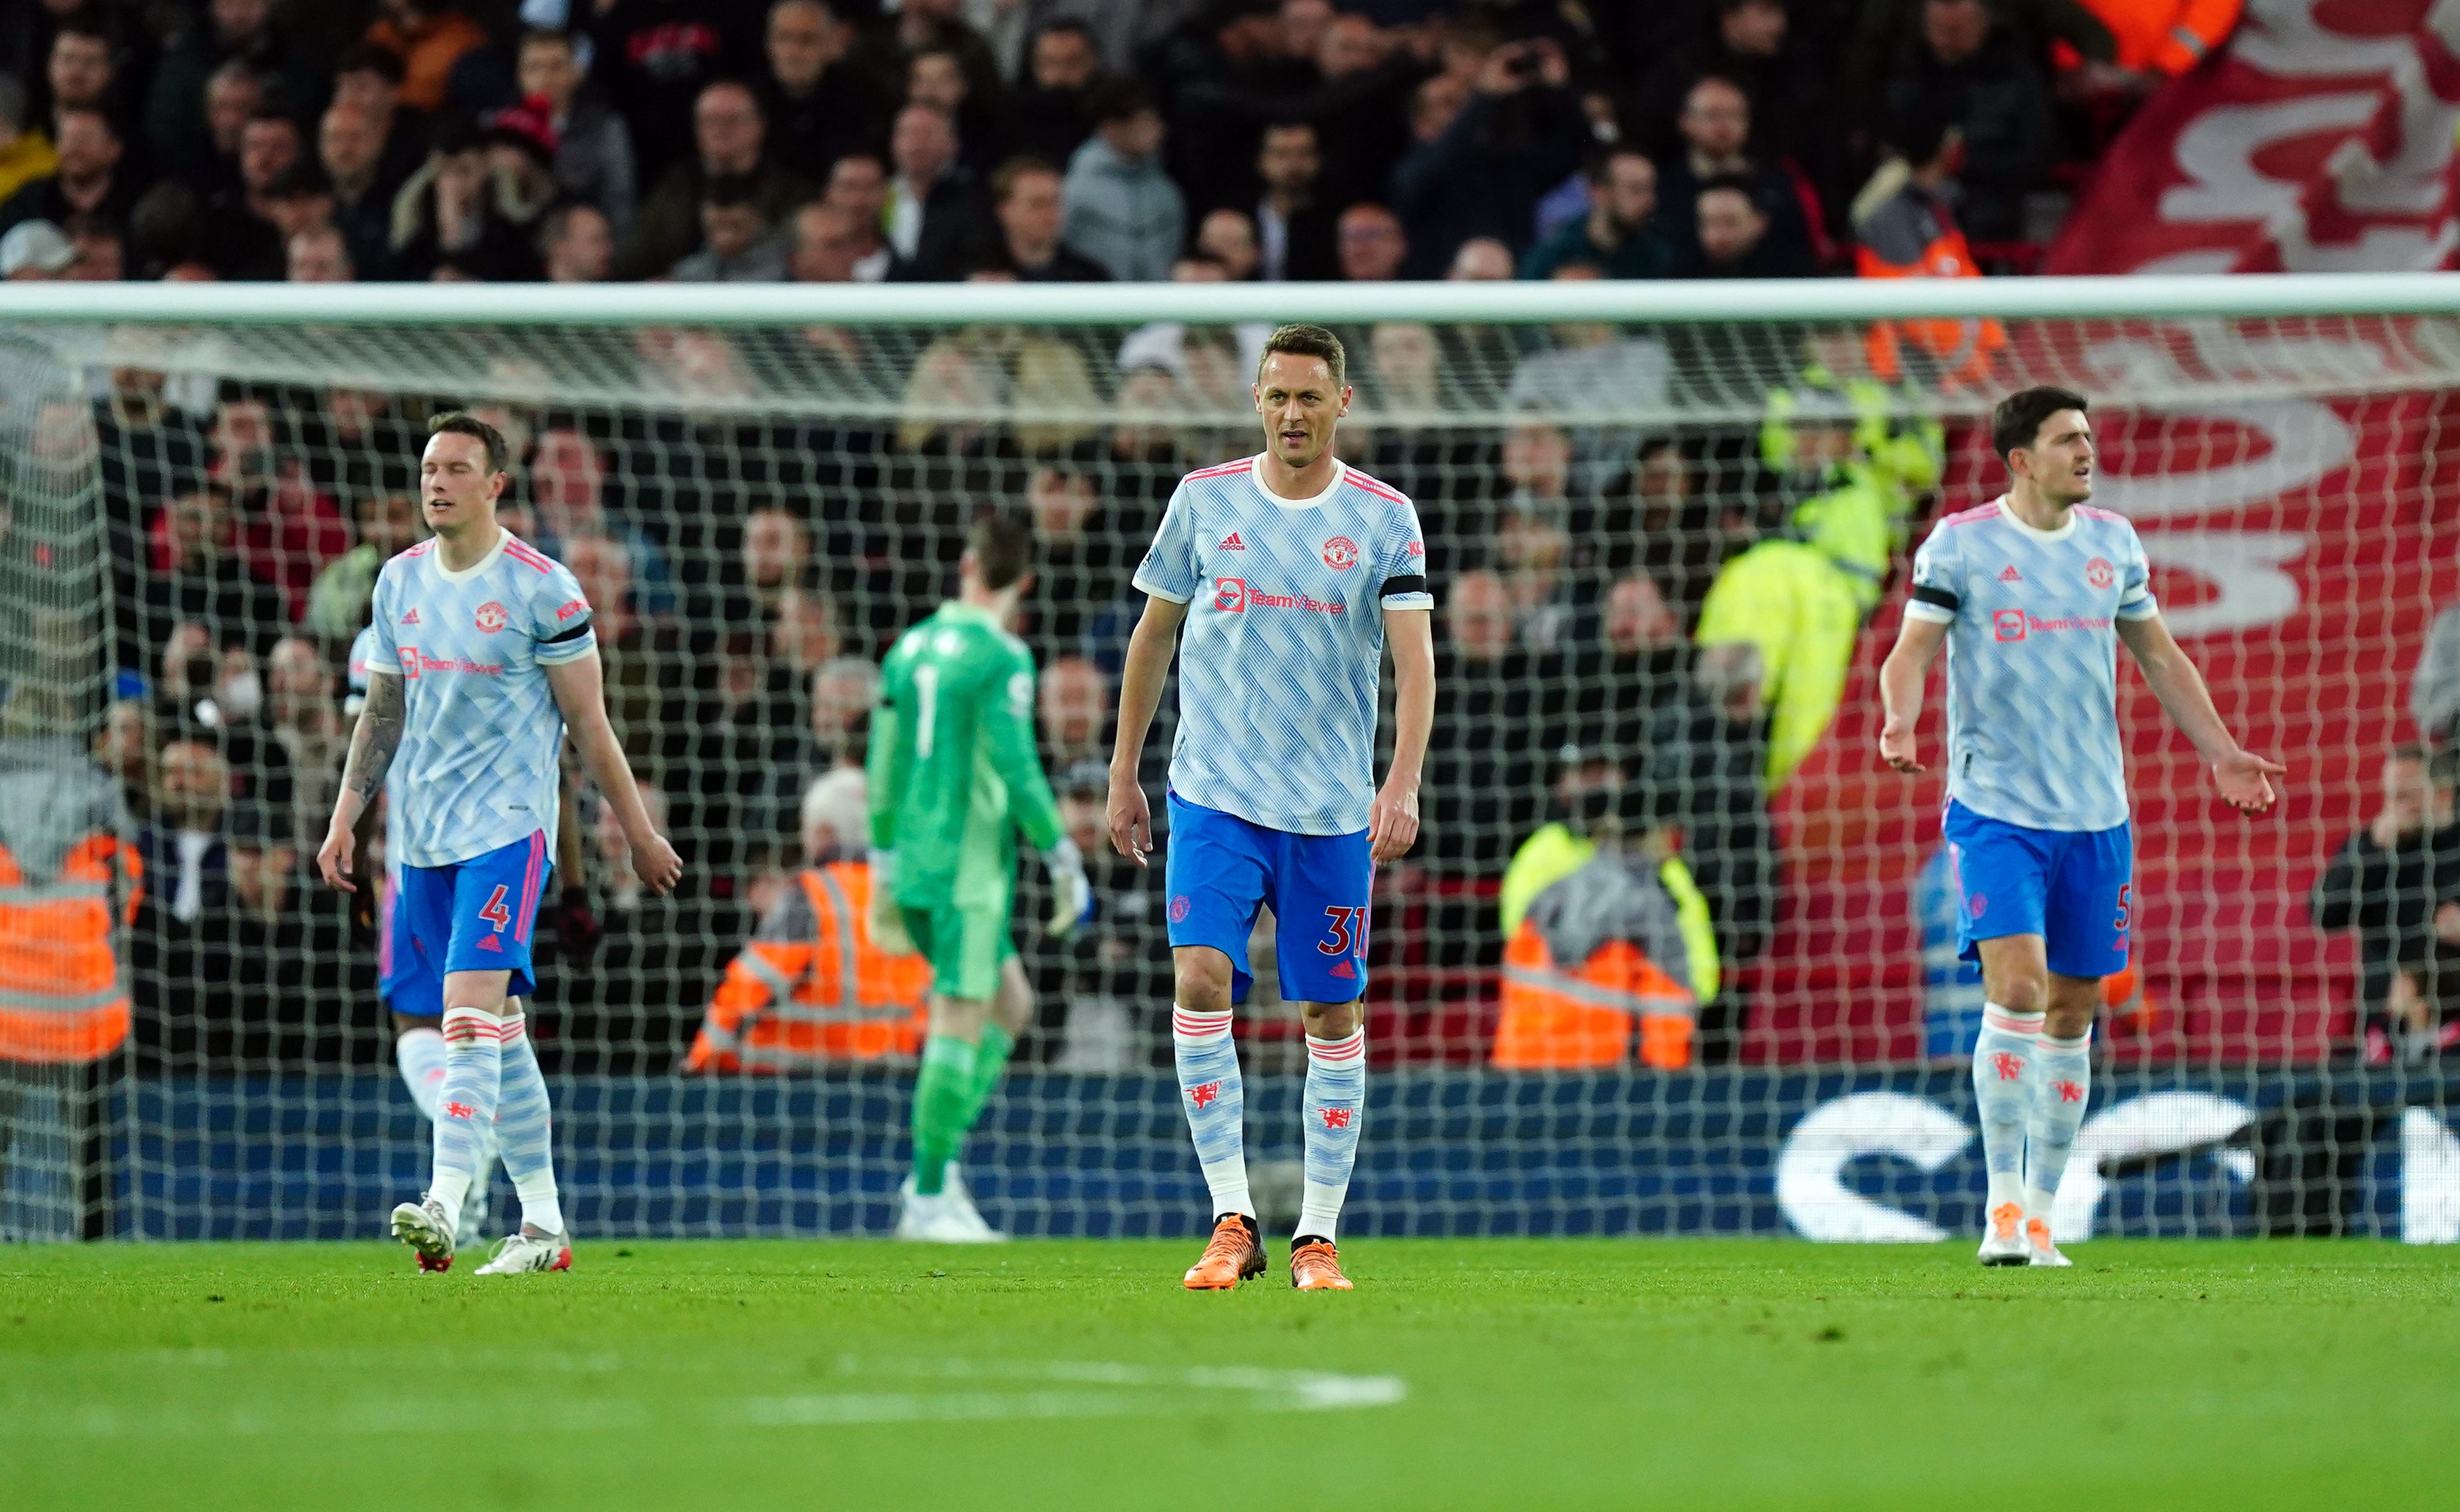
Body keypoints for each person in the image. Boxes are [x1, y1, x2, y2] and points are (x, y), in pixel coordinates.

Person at [1877, 385, 2284, 1268]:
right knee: (2016, 991)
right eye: (2067, 440)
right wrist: (1900, 721)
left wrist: (2220, 752)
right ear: (2020, 459)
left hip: (2097, 817)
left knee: (2073, 1008)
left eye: (2089, 438)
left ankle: (2042, 1213)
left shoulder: (2112, 543)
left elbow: (2160, 655)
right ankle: (1999, 1208)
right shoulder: (1962, 543)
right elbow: (1909, 650)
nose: (2086, 452)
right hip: (1996, 813)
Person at [1107, 323, 1437, 1292]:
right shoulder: (1202, 502)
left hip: (1331, 807)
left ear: (1343, 403)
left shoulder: (1384, 517)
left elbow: (1415, 664)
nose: (1292, 414)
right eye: (1276, 396)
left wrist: (1401, 779)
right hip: (1213, 792)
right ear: (1256, 399)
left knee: (1329, 1009)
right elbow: (1151, 637)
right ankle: (1230, 1218)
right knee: (1202, 974)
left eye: (1309, 397)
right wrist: (1124, 770)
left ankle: (1317, 1236)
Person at [317, 412, 684, 1275]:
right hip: (421, 841)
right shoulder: (398, 585)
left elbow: (589, 725)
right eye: (428, 469)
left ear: (494, 484)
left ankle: (445, 1198)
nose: (435, 482)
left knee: (466, 1013)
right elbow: (381, 714)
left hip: (509, 832)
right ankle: (545, 1225)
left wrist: (637, 832)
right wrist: (343, 817)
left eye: (454, 468)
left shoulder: (542, 587)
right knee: (503, 1030)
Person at [867, 513, 1092, 1243]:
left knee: (1012, 1005)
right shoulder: (1002, 657)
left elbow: (886, 758)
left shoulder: (909, 647)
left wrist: (882, 853)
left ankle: (940, 1170)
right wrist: (1060, 851)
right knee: (961, 1018)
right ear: (1024, 583)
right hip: (968, 868)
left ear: (967, 564)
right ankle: (928, 1195)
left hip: (913, 856)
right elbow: (1019, 765)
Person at [687, 769, 932, 1072]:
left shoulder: (812, 895)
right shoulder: (906, 899)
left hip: (795, 1087)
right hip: (890, 1084)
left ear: (824, 834)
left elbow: (752, 985)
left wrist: (701, 1061)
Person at [2311, 745, 2460, 1065]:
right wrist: (2371, 852)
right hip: (2387, 1028)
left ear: (2444, 794)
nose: (2394, 807)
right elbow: (2324, 915)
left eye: (2406, 796)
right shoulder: (2373, 846)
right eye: (2390, 796)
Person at [1519, 147, 1674, 281]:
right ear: (1599, 192)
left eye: (1651, 189)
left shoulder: (1659, 255)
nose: (1650, 201)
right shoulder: (1554, 254)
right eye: (1636, 189)